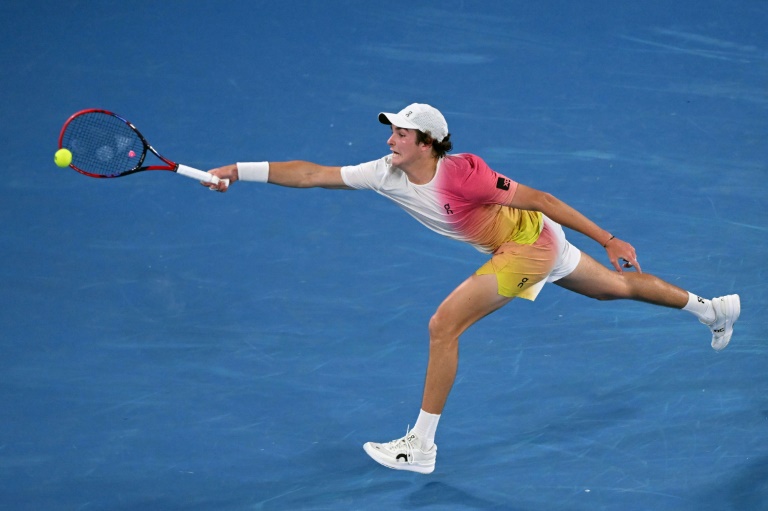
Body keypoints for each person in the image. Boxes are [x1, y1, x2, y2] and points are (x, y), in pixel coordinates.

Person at [204, 103, 741, 475]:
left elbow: (543, 197)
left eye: (400, 134)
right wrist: (239, 170)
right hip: (534, 244)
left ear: (428, 143)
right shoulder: (385, 171)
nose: (389, 140)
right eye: (391, 132)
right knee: (614, 291)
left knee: (444, 325)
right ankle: (710, 310)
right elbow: (312, 174)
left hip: (529, 247)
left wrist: (607, 236)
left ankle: (421, 444)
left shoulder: (465, 174)